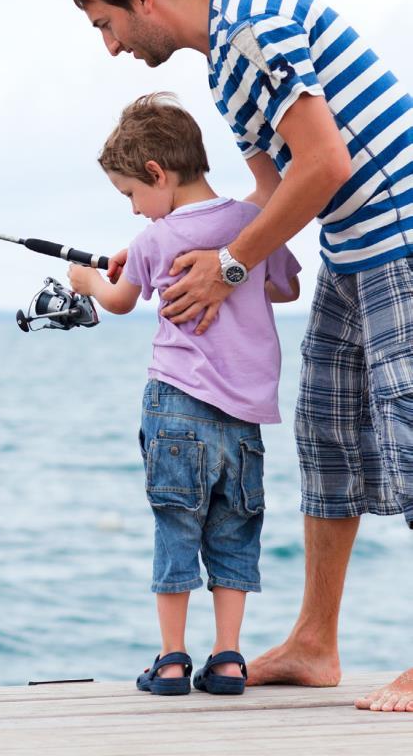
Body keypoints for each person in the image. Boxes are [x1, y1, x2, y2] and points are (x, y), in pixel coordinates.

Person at [70, 0, 413, 712]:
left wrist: (227, 267)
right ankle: (314, 645)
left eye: (105, 22)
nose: (112, 45)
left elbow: (323, 163)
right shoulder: (224, 66)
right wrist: (169, 242)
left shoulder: (254, 25)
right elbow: (265, 195)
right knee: (326, 438)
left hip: (400, 239)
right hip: (351, 252)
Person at [68, 92, 300, 696]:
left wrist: (85, 277)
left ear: (156, 174)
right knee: (233, 531)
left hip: (175, 406)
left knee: (176, 528)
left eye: (131, 196)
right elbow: (286, 289)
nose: (138, 211)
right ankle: (228, 660)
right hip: (243, 418)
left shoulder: (156, 238)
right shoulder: (252, 225)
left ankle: (172, 661)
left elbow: (119, 302)